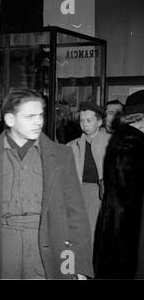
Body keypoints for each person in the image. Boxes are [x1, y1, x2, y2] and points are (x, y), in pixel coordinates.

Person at [0, 89, 93, 279]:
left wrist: (78, 267)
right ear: (10, 120)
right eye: (30, 116)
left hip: (49, 245)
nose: (38, 121)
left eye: (40, 115)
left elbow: (77, 215)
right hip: (0, 247)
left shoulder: (62, 156)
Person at [94, 90, 144, 278]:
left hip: (118, 221)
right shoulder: (132, 143)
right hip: (127, 225)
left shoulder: (124, 139)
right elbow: (130, 187)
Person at [67, 102, 111, 242]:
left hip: (102, 195)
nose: (84, 124)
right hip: (79, 194)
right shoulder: (72, 146)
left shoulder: (112, 143)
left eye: (89, 120)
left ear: (99, 122)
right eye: (81, 120)